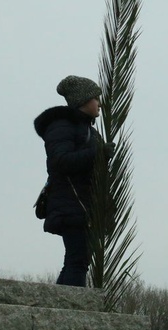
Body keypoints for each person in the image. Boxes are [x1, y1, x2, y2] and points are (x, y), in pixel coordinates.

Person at [33, 75, 113, 287]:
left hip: (82, 205)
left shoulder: (87, 130)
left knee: (77, 261)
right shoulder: (63, 125)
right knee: (78, 261)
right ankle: (66, 310)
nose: (100, 103)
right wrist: (99, 153)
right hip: (71, 204)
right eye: (96, 98)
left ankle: (58, 307)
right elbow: (61, 161)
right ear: (83, 100)